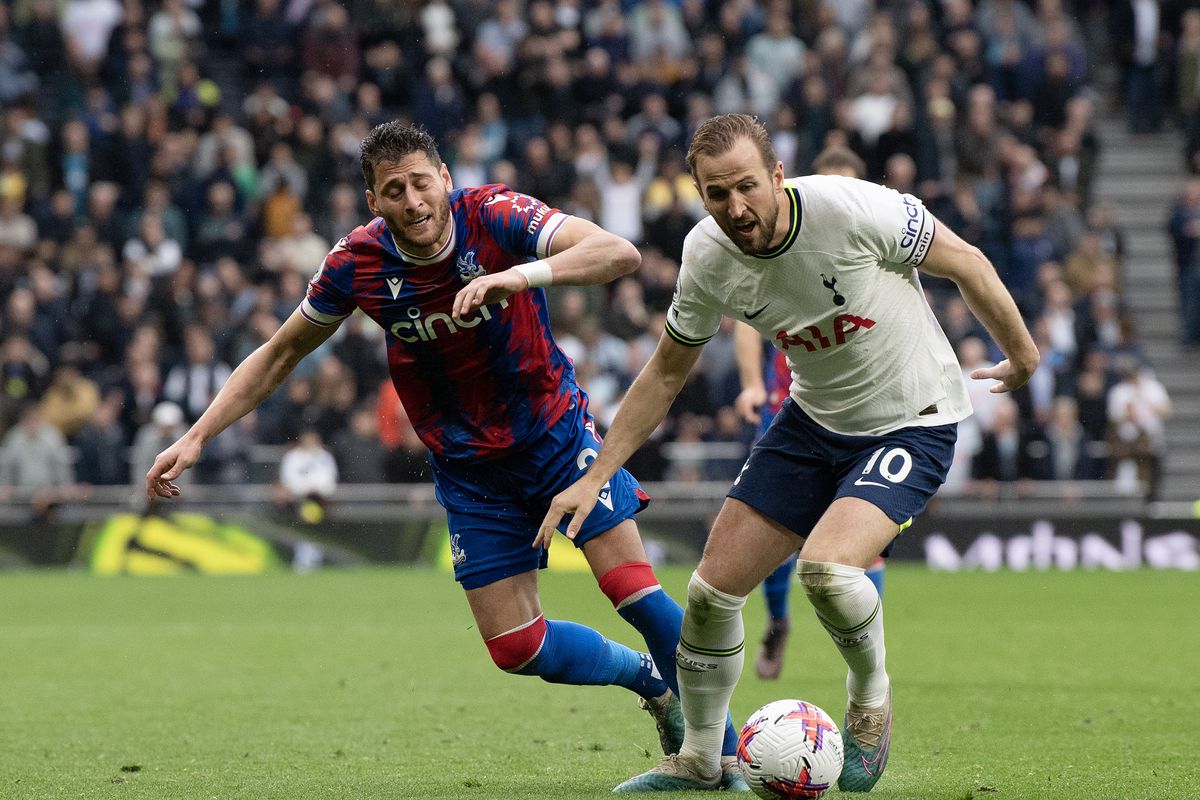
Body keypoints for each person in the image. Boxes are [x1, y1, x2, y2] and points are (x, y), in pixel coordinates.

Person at [144, 122, 745, 790]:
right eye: (393, 189)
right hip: (469, 471)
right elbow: (281, 352)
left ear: (445, 179)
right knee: (517, 647)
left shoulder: (494, 214)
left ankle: (721, 756)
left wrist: (517, 277)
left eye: (420, 181)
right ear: (374, 201)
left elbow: (616, 253)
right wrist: (198, 434)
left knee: (635, 593)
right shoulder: (357, 263)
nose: (412, 200)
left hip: (555, 437)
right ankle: (651, 682)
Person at [541, 114, 1039, 793]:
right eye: (717, 195)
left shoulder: (854, 207)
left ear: (778, 175)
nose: (736, 208)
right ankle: (700, 761)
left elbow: (968, 263)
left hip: (911, 420)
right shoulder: (707, 254)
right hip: (810, 421)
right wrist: (596, 475)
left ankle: (870, 700)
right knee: (711, 595)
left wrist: (1024, 353)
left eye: (747, 186)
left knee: (827, 572)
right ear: (699, 193)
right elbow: (664, 373)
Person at [732, 144, 885, 681]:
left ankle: (866, 647)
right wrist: (752, 385)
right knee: (775, 531)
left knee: (867, 541)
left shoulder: (875, 243)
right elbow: (748, 321)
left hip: (869, 413)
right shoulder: (788, 244)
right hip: (789, 407)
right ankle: (778, 622)